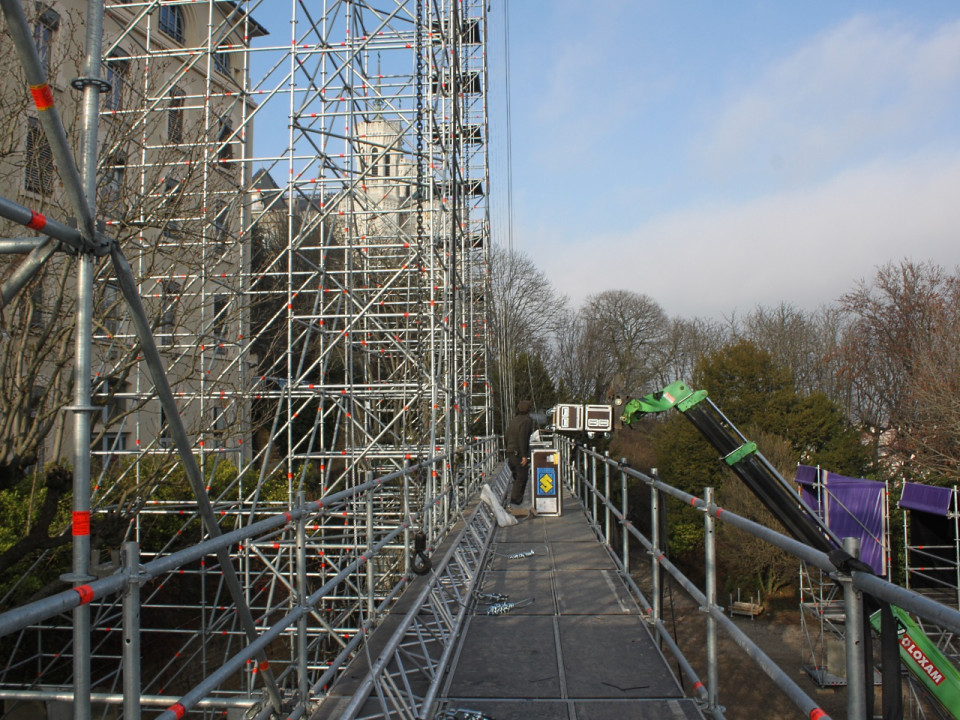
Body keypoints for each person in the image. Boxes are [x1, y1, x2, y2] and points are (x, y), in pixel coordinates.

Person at [505, 399, 535, 506]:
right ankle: (515, 501)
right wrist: (524, 456)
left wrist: (507, 448)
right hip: (518, 453)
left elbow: (506, 435)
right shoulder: (527, 421)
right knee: (522, 477)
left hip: (511, 451)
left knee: (516, 476)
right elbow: (523, 438)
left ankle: (515, 501)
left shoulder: (514, 420)